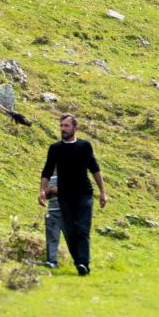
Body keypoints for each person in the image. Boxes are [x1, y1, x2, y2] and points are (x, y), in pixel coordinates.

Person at [38, 114, 107, 276]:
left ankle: (83, 262)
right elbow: (47, 170)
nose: (63, 129)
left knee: (83, 229)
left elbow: (95, 169)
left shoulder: (84, 146)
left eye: (66, 126)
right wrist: (42, 190)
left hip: (84, 194)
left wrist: (103, 192)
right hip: (65, 196)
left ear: (75, 128)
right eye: (61, 125)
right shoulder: (55, 149)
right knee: (71, 231)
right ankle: (79, 263)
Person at [43, 172, 61, 268]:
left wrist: (56, 190)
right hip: (52, 210)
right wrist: (47, 192)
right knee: (52, 237)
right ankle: (51, 261)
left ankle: (79, 262)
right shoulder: (51, 175)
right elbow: (46, 195)